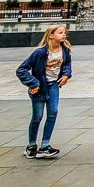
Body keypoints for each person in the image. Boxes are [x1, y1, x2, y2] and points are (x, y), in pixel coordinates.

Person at [16, 24, 72, 159]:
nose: (64, 35)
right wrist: (33, 83)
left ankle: (45, 145)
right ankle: (31, 146)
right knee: (38, 116)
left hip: (54, 86)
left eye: (64, 33)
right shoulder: (40, 53)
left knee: (53, 112)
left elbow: (67, 66)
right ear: (51, 35)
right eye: (60, 33)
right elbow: (21, 69)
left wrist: (65, 75)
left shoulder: (65, 51)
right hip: (40, 87)